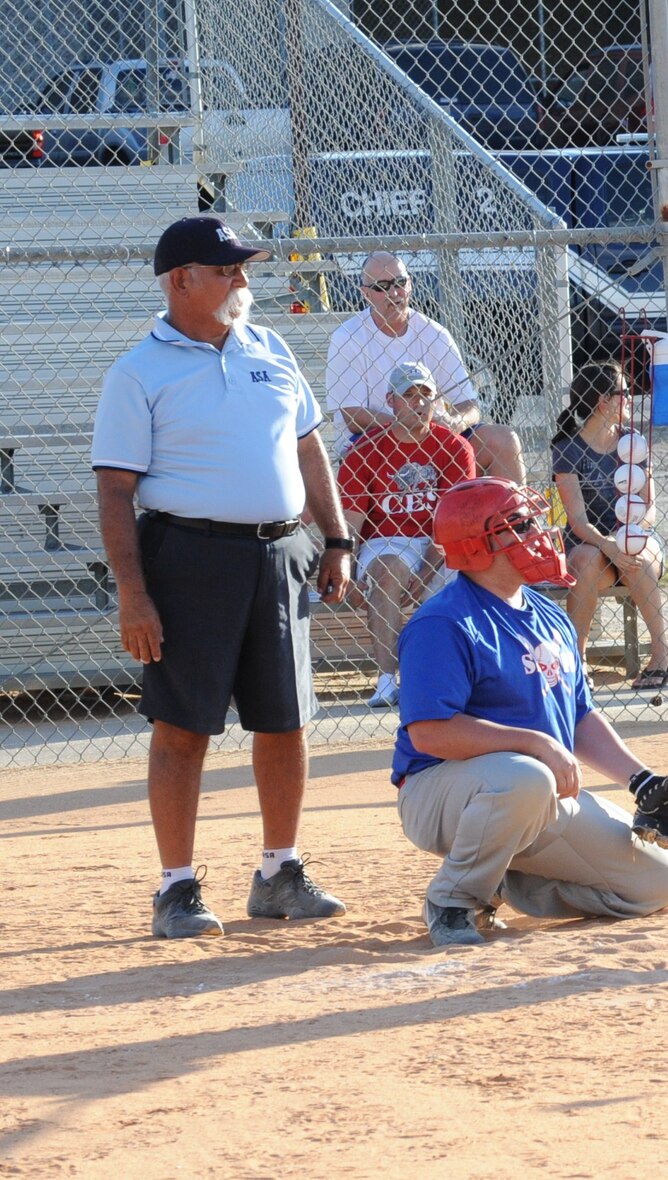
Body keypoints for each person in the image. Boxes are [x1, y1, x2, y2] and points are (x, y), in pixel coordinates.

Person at [92, 216, 354, 939]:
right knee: (182, 728)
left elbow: (308, 452)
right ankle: (176, 888)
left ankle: (279, 871)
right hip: (187, 559)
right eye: (227, 269)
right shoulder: (139, 370)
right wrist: (134, 593)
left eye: (244, 268)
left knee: (287, 721)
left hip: (279, 554)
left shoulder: (270, 349)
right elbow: (115, 491)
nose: (243, 281)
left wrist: (335, 538)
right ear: (182, 280)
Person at [393, 477, 668, 947]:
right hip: (441, 793)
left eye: (532, 521)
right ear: (477, 546)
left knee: (656, 884)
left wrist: (641, 780)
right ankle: (456, 899)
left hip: (530, 795)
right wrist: (535, 743)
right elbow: (430, 734)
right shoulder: (444, 623)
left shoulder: (551, 616)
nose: (538, 534)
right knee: (527, 776)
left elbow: (579, 716)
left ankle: (503, 874)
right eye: (517, 525)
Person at [338, 360, 476, 709]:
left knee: (473, 576)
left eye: (426, 395)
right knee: (386, 570)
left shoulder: (455, 447)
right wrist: (348, 567)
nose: (418, 403)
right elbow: (351, 523)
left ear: (437, 402)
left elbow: (454, 521)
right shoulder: (365, 450)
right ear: (391, 401)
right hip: (387, 540)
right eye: (408, 395)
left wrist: (428, 569)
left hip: (441, 540)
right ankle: (387, 681)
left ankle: (462, 678)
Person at [323, 251, 525, 483]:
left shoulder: (435, 333)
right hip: (377, 440)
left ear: (411, 284)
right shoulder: (347, 337)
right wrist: (408, 426)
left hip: (434, 437)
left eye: (400, 283)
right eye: (382, 287)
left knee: (504, 440)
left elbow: (469, 405)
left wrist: (454, 423)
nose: (394, 293)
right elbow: (353, 416)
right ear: (366, 293)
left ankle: (516, 517)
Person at [550, 362, 668, 690]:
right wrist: (609, 545)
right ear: (603, 401)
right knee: (587, 560)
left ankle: (661, 655)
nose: (630, 398)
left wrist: (629, 536)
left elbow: (649, 507)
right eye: (624, 393)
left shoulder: (632, 441)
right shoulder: (567, 448)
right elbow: (577, 520)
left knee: (641, 555)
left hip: (630, 537)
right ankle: (576, 663)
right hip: (592, 543)